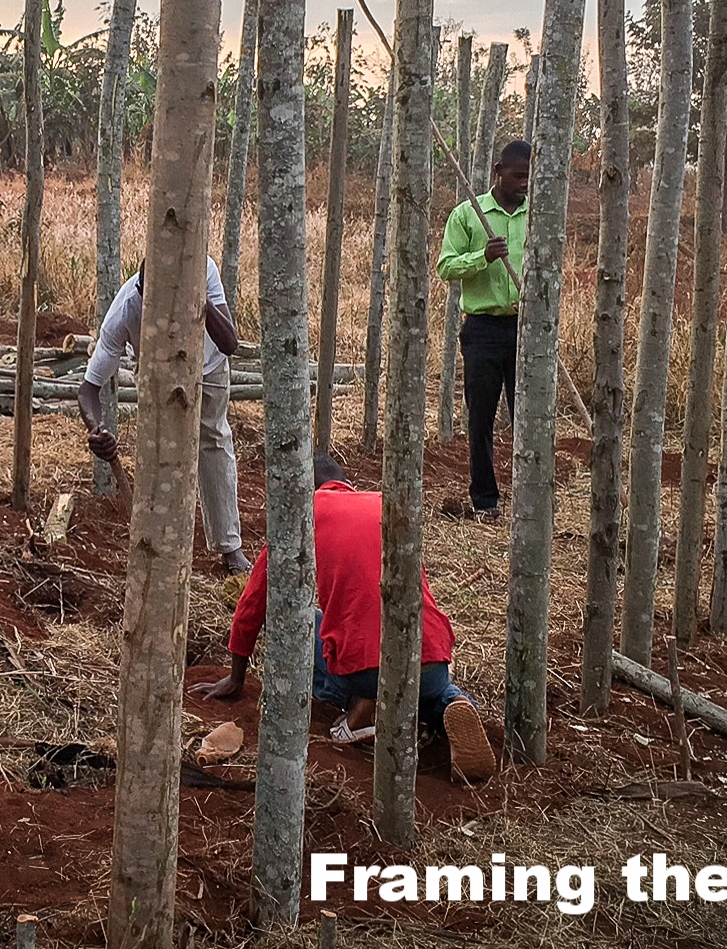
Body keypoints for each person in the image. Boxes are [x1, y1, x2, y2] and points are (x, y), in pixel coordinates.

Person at [196, 455, 497, 781]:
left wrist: (237, 677)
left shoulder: (302, 513)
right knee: (424, 688)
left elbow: (254, 602)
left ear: (305, 489)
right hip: (432, 660)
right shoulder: (386, 503)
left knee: (294, 616)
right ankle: (452, 705)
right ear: (347, 484)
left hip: (364, 670)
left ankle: (359, 704)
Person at [76, 256, 251, 575]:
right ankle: (157, 544)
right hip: (156, 375)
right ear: (143, 291)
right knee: (159, 452)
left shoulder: (204, 269)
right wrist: (96, 427)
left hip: (209, 368)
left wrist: (197, 296)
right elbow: (89, 388)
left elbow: (229, 342)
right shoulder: (125, 310)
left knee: (214, 442)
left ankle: (230, 548)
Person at [436, 139, 530, 523]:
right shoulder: (468, 215)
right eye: (517, 175)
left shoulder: (536, 217)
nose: (524, 183)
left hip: (525, 329)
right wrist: (482, 257)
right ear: (498, 170)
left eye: (529, 176)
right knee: (481, 418)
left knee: (527, 416)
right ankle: (485, 501)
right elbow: (446, 267)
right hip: (482, 330)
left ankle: (529, 499)